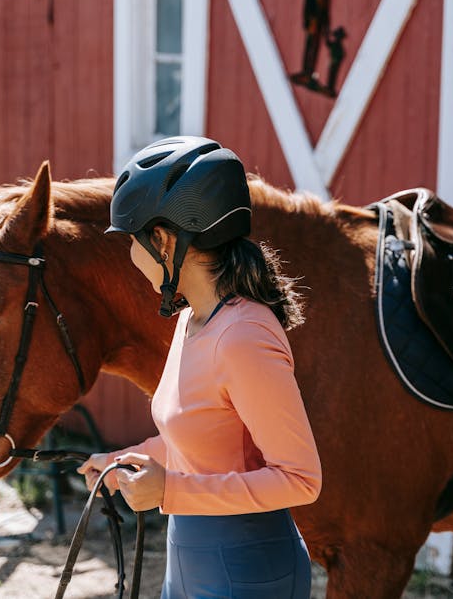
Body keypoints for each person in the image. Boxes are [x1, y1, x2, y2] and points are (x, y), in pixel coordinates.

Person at [78, 136, 322, 598]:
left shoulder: (244, 336)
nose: (130, 257)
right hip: (190, 563)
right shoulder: (192, 319)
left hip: (248, 573)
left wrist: (170, 492)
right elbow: (199, 440)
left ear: (164, 241)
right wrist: (124, 463)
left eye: (132, 241)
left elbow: (301, 479)